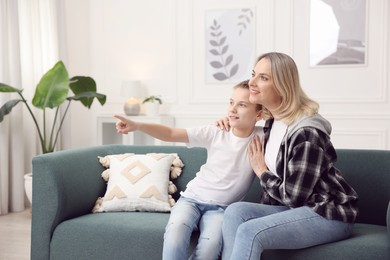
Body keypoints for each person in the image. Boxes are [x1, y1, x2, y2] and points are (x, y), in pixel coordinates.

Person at [216, 52, 359, 260]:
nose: (252, 82)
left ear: (282, 86)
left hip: (328, 213)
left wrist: (262, 172)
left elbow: (293, 196)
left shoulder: (306, 132)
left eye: (263, 78)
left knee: (250, 231)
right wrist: (229, 121)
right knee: (235, 212)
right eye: (254, 74)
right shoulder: (273, 121)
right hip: (296, 209)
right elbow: (245, 121)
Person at [114, 80, 263, 260]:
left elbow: (287, 119)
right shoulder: (216, 132)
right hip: (191, 199)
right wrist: (138, 126)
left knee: (211, 247)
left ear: (259, 113)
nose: (232, 109)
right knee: (175, 233)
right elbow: (170, 134)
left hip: (222, 209)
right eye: (231, 102)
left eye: (242, 105)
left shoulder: (263, 137)